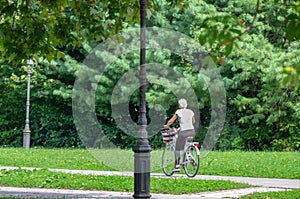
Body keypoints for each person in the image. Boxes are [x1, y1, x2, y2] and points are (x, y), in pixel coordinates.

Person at [164, 98, 195, 172]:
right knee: (185, 146)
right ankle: (184, 162)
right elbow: (193, 121)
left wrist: (167, 125)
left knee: (177, 148)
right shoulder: (190, 112)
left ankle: (177, 166)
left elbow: (171, 120)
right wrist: (179, 128)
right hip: (191, 131)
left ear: (179, 105)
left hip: (183, 132)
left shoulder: (179, 111)